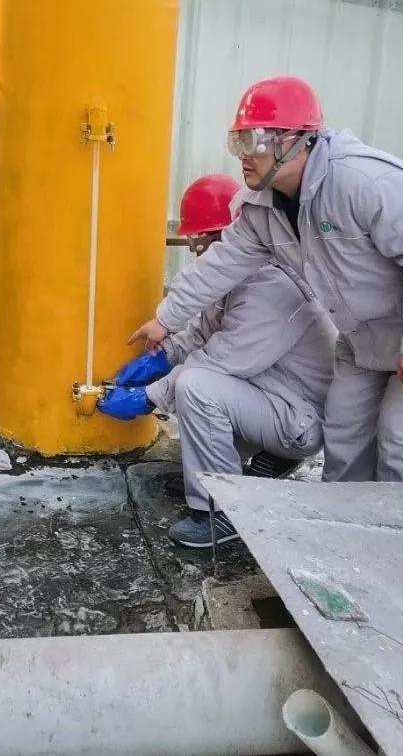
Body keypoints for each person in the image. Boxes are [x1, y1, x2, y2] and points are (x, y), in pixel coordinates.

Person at [129, 76, 403, 490]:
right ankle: (343, 524)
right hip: (364, 331)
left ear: (296, 141)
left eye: (254, 142)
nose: (243, 156)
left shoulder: (362, 183)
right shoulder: (262, 207)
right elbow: (219, 265)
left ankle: (396, 529)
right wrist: (165, 320)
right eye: (237, 142)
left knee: (402, 440)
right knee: (345, 435)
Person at [99, 174, 335, 548]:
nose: (198, 252)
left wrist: (148, 397)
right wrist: (163, 357)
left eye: (201, 242)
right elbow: (204, 330)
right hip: (279, 396)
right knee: (192, 381)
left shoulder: (270, 289)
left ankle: (223, 510)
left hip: (298, 419)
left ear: (225, 236)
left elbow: (217, 362)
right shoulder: (241, 278)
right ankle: (236, 468)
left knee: (196, 388)